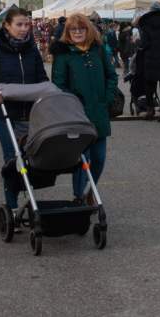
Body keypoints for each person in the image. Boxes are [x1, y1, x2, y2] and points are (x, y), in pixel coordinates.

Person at [0, 6, 49, 212]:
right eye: (19, 24)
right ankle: (11, 206)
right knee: (12, 160)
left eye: (27, 24)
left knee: (32, 160)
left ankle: (30, 197)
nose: (24, 28)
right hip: (6, 114)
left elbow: (42, 78)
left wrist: (46, 91)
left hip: (32, 114)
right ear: (7, 26)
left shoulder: (32, 50)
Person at [51, 12, 117, 203]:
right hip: (77, 115)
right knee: (82, 160)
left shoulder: (98, 49)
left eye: (81, 28)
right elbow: (58, 85)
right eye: (73, 29)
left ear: (88, 29)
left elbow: (111, 75)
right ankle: (79, 197)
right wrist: (72, 103)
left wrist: (107, 97)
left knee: (99, 158)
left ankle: (90, 190)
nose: (78, 32)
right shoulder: (63, 54)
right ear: (68, 31)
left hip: (99, 112)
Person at [135, 3, 160, 122]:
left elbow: (144, 44)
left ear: (151, 11)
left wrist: (138, 43)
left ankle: (150, 111)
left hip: (150, 59)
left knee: (149, 87)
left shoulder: (145, 23)